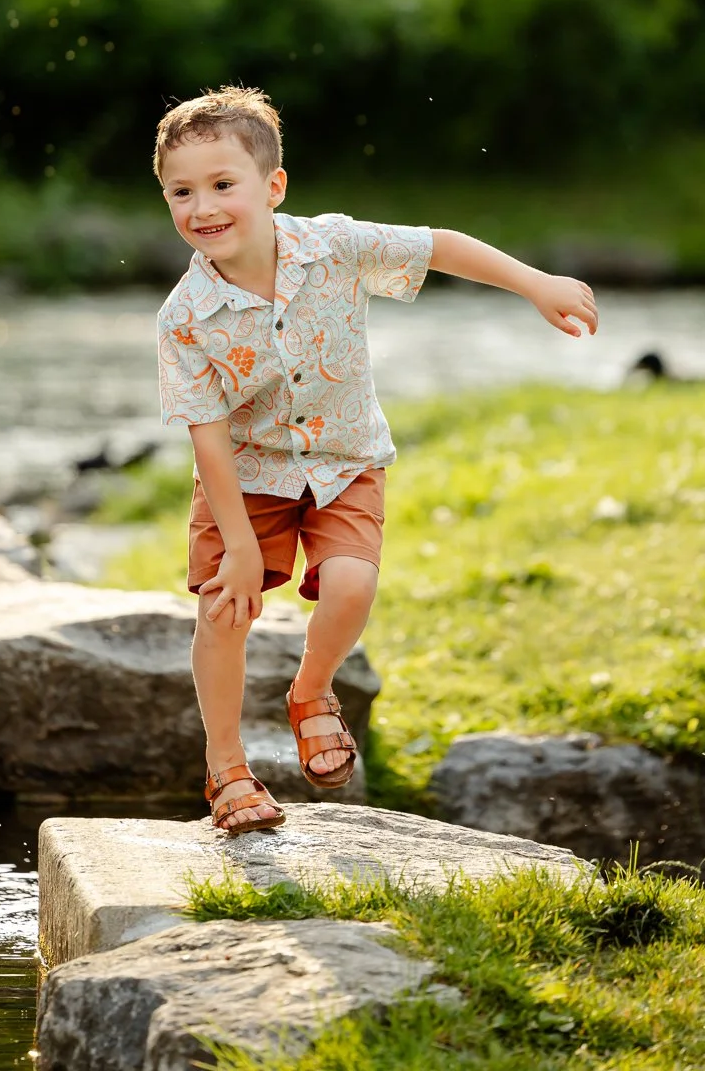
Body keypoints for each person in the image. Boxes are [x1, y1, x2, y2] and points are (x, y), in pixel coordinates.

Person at [155, 86, 598, 835]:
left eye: (222, 185)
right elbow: (205, 439)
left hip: (344, 459)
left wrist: (535, 283)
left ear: (273, 187)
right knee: (223, 611)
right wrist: (234, 548)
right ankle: (227, 768)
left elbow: (440, 245)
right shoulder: (183, 319)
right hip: (247, 476)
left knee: (353, 586)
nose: (202, 207)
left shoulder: (334, 245)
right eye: (181, 191)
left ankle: (311, 690)